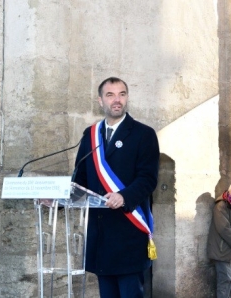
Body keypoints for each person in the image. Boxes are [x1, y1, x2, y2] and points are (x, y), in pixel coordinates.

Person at [72, 77, 159, 298]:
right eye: (110, 95)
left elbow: (148, 178)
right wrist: (56, 200)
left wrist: (124, 196)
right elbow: (80, 178)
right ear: (100, 101)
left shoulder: (143, 134)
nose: (116, 100)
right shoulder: (90, 136)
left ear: (127, 98)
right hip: (101, 234)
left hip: (128, 230)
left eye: (121, 94)